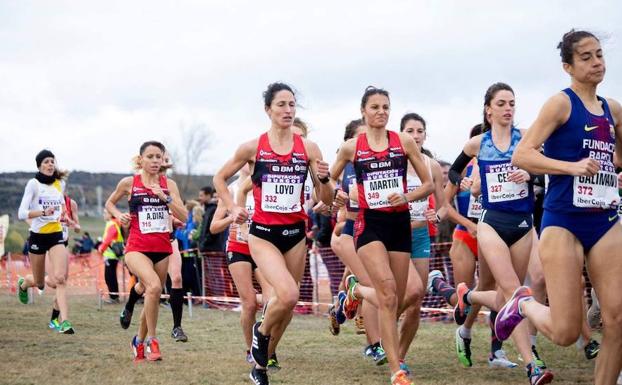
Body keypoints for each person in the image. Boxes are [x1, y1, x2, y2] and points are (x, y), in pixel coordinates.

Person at [498, 29, 622, 385]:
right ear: (568, 65)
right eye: (586, 57)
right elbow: (522, 155)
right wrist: (572, 167)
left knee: (616, 319)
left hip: (605, 219)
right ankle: (522, 303)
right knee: (567, 332)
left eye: (599, 55)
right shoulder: (560, 104)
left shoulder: (613, 109)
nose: (597, 62)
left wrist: (613, 171)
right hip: (563, 220)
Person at [213, 82, 332, 385]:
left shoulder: (309, 148)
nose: (288, 110)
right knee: (288, 294)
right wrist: (231, 207)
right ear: (268, 109)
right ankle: (260, 335)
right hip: (263, 233)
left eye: (292, 105)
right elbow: (219, 177)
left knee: (288, 306)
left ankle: (260, 363)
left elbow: (326, 199)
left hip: (295, 234)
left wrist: (325, 180)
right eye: (281, 104)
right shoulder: (253, 147)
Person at [447, 82, 554, 384]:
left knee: (514, 293)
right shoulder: (478, 144)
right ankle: (532, 365)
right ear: (489, 109)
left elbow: (544, 170)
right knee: (515, 294)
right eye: (502, 103)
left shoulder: (526, 141)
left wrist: (530, 172)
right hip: (491, 223)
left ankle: (469, 297)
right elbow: (455, 171)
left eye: (512, 104)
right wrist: (464, 183)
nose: (508, 109)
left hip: (521, 224)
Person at [328, 86, 433, 385]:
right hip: (369, 224)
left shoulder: (403, 142)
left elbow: (427, 186)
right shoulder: (352, 147)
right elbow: (331, 179)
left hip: (398, 223)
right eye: (375, 107)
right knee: (387, 291)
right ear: (364, 110)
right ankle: (395, 369)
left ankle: (356, 292)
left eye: (386, 107)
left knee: (393, 299)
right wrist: (336, 196)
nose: (381, 112)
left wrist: (406, 197)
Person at [105, 141, 187, 362]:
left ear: (163, 160)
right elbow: (109, 203)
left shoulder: (168, 184)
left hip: (162, 248)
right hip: (136, 248)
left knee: (152, 293)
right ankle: (152, 341)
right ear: (141, 159)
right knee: (153, 286)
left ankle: (137, 341)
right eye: (149, 157)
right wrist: (118, 215)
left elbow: (185, 216)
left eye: (158, 157)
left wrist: (165, 198)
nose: (154, 161)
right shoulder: (129, 182)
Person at [396, 112, 449, 373]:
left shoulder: (432, 166)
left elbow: (444, 208)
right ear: (401, 134)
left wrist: (435, 216)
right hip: (393, 235)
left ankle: (400, 355)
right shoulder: (393, 161)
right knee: (400, 293)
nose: (415, 136)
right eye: (410, 131)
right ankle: (381, 325)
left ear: (425, 135)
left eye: (420, 131)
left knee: (416, 300)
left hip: (419, 236)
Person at [210, 165, 272, 365]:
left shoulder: (264, 184)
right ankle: (250, 350)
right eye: (247, 160)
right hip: (238, 247)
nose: (251, 163)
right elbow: (213, 227)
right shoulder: (230, 191)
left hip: (262, 246)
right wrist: (232, 216)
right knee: (250, 302)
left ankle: (266, 345)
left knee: (272, 300)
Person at [17, 149, 74, 334]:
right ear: (40, 165)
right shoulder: (33, 184)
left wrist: (64, 213)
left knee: (60, 278)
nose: (50, 164)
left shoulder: (60, 184)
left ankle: (64, 322)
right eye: (47, 161)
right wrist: (43, 213)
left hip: (56, 235)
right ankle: (25, 283)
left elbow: (61, 203)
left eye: (52, 161)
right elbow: (21, 213)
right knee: (40, 283)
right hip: (37, 236)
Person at [98, 209, 124, 304]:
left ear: (110, 214)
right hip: (113, 255)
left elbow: (108, 239)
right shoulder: (115, 223)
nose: (104, 215)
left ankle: (113, 297)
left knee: (109, 277)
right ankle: (114, 296)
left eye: (105, 213)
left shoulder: (111, 224)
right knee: (111, 276)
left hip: (111, 255)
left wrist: (101, 248)